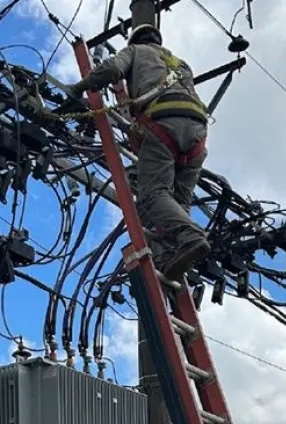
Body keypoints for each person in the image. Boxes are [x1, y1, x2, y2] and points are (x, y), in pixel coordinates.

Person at [66, 24, 210, 280]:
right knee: (179, 204)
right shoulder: (181, 64)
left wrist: (78, 89)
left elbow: (111, 69)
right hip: (198, 135)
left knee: (153, 194)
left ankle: (191, 236)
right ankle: (173, 253)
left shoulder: (136, 51)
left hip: (164, 124)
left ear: (135, 40)